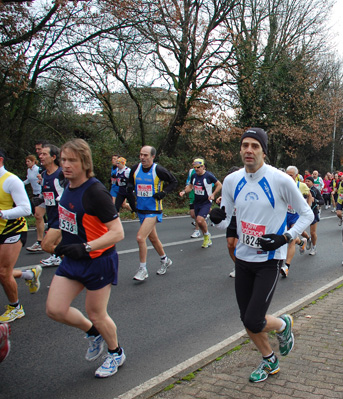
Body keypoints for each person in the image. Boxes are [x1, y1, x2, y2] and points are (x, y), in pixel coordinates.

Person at [209, 128, 312, 383]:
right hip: (243, 258)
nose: (248, 150)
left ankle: (283, 325)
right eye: (245, 145)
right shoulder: (232, 180)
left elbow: (306, 214)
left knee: (254, 319)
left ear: (263, 151)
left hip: (269, 259)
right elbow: (226, 222)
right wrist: (216, 220)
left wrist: (285, 238)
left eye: (255, 146)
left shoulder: (280, 180)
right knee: (247, 319)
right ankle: (269, 360)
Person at [45, 139, 126, 378]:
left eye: (72, 160)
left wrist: (86, 247)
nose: (66, 165)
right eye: (63, 160)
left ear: (85, 163)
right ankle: (93, 333)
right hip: (73, 259)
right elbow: (68, 216)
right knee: (54, 309)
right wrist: (52, 238)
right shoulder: (66, 185)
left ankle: (116, 353)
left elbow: (117, 232)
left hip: (98, 260)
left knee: (97, 313)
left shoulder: (95, 191)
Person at [128, 146, 178, 281]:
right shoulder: (135, 169)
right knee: (153, 238)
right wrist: (131, 189)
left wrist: (163, 193)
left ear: (153, 157)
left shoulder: (158, 170)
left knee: (140, 237)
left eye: (146, 155)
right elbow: (130, 183)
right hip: (141, 209)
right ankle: (165, 260)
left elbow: (174, 182)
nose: (142, 158)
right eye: (141, 155)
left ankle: (143, 269)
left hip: (154, 210)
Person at [0, 149, 37, 323]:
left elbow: (26, 209)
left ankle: (15, 308)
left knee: (3, 272)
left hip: (12, 230)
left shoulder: (11, 180)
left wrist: (2, 214)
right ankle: (29, 275)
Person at [179, 158, 221, 246]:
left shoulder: (208, 176)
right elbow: (190, 187)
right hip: (197, 202)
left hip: (206, 202)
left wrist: (213, 194)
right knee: (199, 221)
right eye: (194, 167)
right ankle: (207, 234)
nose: (196, 169)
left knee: (200, 220)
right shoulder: (194, 176)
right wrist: (184, 191)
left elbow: (219, 185)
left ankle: (206, 237)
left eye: (198, 167)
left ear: (203, 167)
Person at [281, 166, 313, 277]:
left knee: (291, 240)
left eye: (290, 175)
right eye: (287, 174)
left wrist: (307, 208)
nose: (288, 177)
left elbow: (310, 197)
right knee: (288, 237)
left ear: (296, 175)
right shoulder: (282, 185)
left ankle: (286, 267)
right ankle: (302, 242)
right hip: (284, 216)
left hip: (296, 216)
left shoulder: (302, 186)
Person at [39, 144, 65, 267]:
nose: (41, 156)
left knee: (46, 245)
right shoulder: (44, 174)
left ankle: (77, 259)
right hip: (51, 215)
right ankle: (72, 264)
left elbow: (66, 195)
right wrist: (40, 200)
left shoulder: (61, 175)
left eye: (44, 154)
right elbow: (46, 194)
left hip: (61, 216)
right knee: (60, 245)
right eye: (40, 154)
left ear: (53, 157)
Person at [23, 155, 45, 252]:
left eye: (28, 161)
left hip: (43, 193)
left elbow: (43, 179)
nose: (27, 163)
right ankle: (40, 242)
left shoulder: (38, 169)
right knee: (37, 215)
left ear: (33, 161)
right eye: (26, 161)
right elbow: (28, 180)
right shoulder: (29, 170)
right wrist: (19, 183)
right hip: (36, 193)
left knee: (39, 215)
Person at [304, 176, 324, 256]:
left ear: (312, 182)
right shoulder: (303, 190)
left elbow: (322, 201)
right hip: (303, 213)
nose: (306, 182)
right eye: (306, 181)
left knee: (312, 232)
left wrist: (315, 200)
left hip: (313, 212)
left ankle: (314, 247)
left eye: (308, 181)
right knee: (299, 230)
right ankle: (308, 239)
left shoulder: (315, 190)